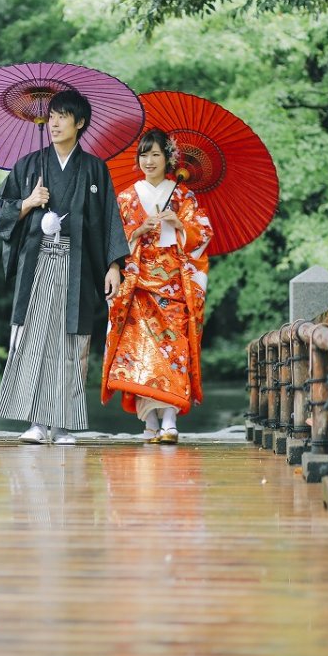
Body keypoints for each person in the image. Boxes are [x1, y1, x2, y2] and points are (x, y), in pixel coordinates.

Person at [0, 89, 130, 445]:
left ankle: (64, 424)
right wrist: (28, 202)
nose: (54, 123)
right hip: (37, 262)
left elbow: (109, 220)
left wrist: (114, 265)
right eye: (51, 116)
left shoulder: (95, 168)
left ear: (79, 123)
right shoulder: (28, 165)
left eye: (62, 117)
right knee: (34, 337)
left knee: (72, 341)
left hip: (77, 264)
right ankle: (37, 422)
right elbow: (1, 210)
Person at [100, 128, 213, 444]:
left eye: (155, 154)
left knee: (173, 350)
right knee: (138, 351)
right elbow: (110, 240)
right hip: (136, 283)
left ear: (168, 159)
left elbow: (203, 235)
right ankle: (150, 421)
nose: (148, 161)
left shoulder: (183, 196)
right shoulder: (126, 197)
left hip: (173, 282)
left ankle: (170, 421)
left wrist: (180, 225)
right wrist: (138, 231)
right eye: (144, 154)